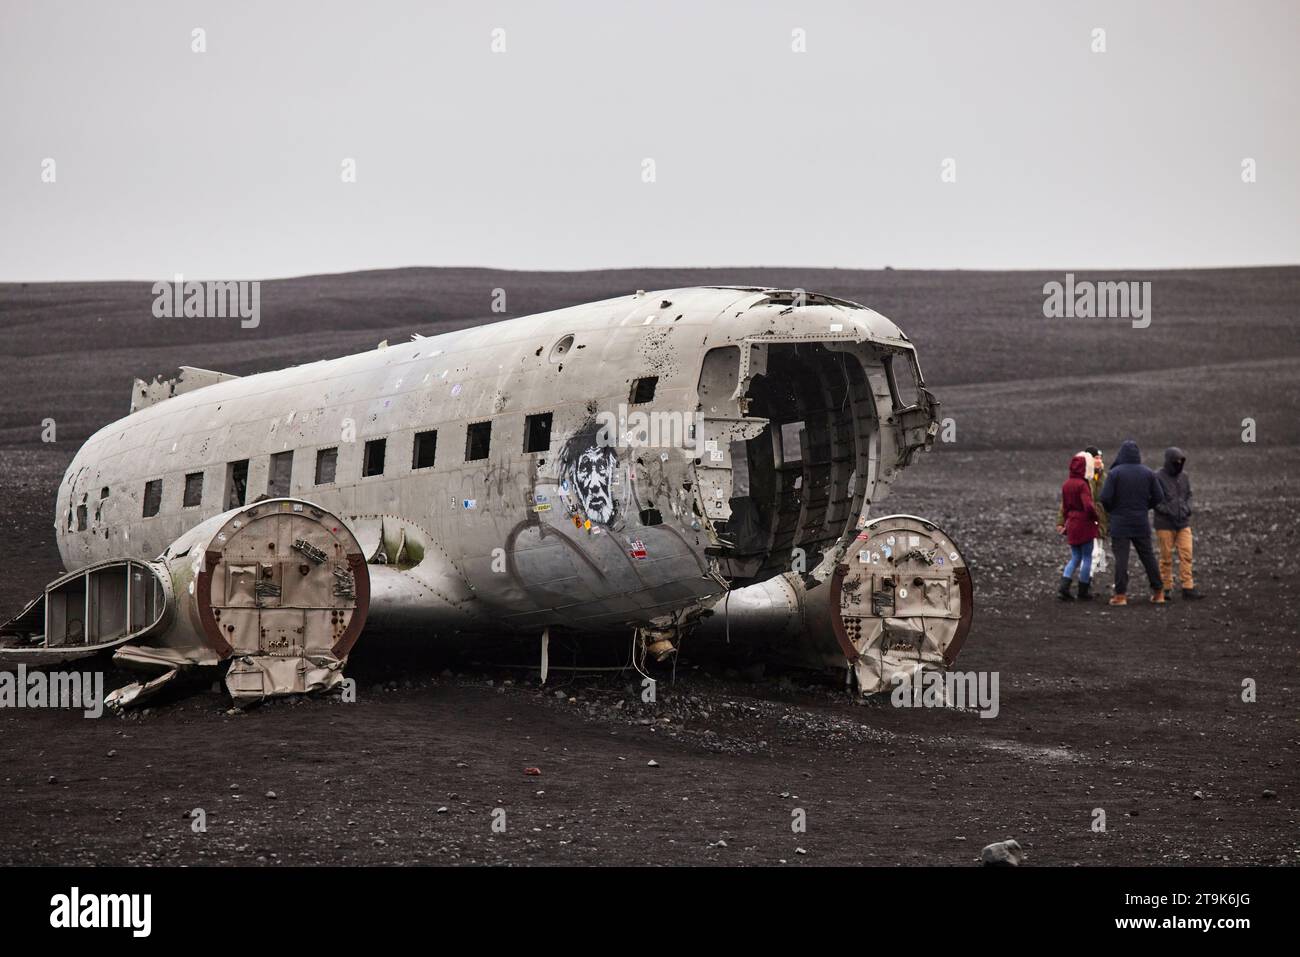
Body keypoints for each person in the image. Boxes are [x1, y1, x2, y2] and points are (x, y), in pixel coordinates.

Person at [1098, 439, 1166, 605]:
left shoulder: (1115, 473)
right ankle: (1159, 593)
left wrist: (1113, 510)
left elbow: (1105, 498)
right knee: (1148, 557)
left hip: (1120, 523)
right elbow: (1159, 496)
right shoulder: (1148, 472)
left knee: (1121, 559)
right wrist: (1144, 507)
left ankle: (1120, 596)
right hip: (1140, 521)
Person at [1153, 446, 1202, 601]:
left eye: (1181, 461)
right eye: (1176, 462)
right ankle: (1166, 588)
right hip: (1164, 524)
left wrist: (1188, 509)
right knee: (1166, 557)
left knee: (1186, 554)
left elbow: (1189, 495)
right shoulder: (1158, 477)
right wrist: (1167, 511)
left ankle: (1188, 587)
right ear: (1169, 462)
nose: (1179, 464)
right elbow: (1153, 499)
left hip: (1183, 523)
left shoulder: (1184, 477)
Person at [1056, 453, 1100, 600]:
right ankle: (1083, 590)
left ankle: (1064, 586)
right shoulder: (1083, 484)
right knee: (1087, 557)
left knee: (1075, 557)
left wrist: (1066, 522)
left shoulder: (1066, 484)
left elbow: (1065, 507)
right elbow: (1088, 505)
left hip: (1072, 522)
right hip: (1084, 523)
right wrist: (1095, 517)